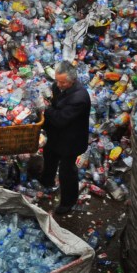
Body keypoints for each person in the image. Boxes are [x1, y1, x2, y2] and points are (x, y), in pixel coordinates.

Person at [39, 61, 91, 213]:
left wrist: (45, 110)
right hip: (56, 134)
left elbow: (60, 119)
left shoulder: (80, 98)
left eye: (62, 82)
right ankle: (47, 181)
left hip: (72, 140)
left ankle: (68, 203)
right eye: (57, 80)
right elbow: (55, 104)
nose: (58, 85)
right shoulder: (58, 87)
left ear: (72, 80)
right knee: (49, 156)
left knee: (67, 172)